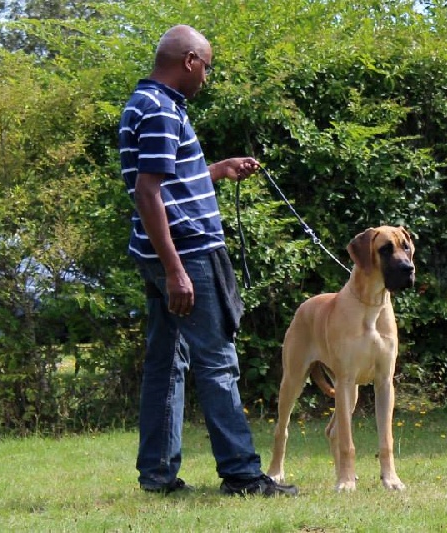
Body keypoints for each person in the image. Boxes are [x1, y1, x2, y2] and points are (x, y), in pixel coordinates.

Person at [118, 24, 298, 497]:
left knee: (166, 363)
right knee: (217, 362)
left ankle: (157, 474)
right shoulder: (161, 110)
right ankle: (242, 475)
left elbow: (167, 181)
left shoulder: (145, 103)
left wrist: (217, 170)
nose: (206, 77)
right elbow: (147, 193)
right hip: (188, 254)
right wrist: (176, 270)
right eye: (207, 67)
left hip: (163, 254)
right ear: (190, 61)